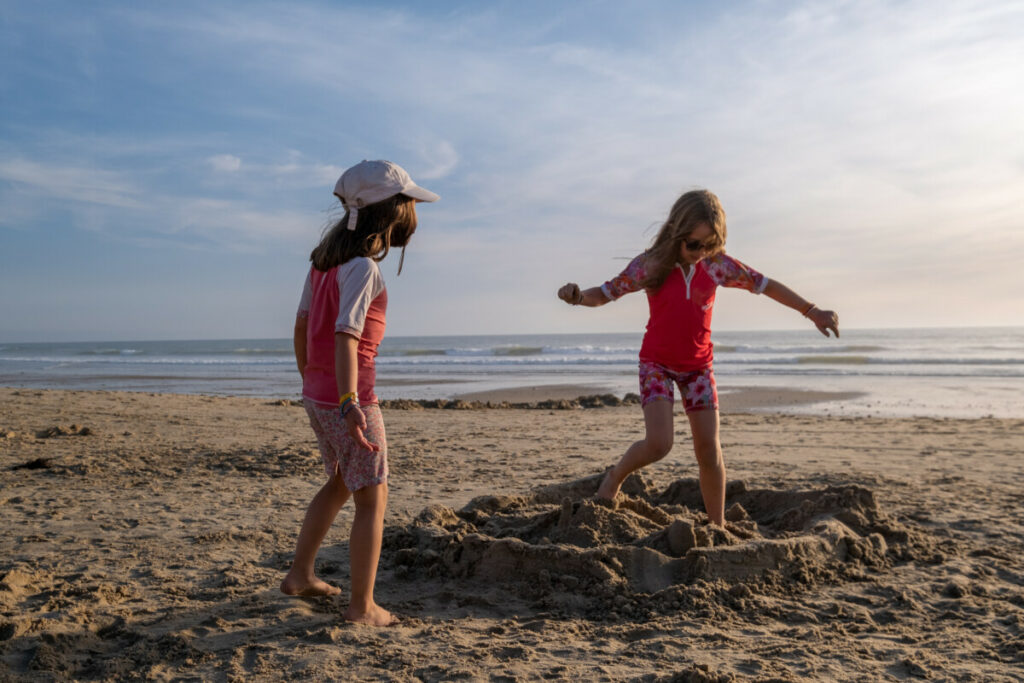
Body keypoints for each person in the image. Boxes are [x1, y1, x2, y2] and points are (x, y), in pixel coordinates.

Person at [557, 189, 838, 526]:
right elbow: (604, 294)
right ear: (677, 232)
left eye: (710, 244)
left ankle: (717, 525)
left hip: (698, 368)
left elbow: (766, 285)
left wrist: (812, 311)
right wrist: (576, 298)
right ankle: (614, 477)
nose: (701, 252)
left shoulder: (717, 265)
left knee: (708, 449)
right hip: (656, 364)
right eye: (694, 244)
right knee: (660, 444)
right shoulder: (650, 265)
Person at [280, 160, 438, 626]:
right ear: (391, 214)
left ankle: (299, 575)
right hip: (353, 401)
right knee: (373, 497)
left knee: (341, 483)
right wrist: (349, 402)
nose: (413, 213)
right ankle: (362, 606)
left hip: (318, 395)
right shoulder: (363, 268)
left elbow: (302, 326)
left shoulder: (323, 262)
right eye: (408, 204)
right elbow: (346, 335)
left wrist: (312, 383)